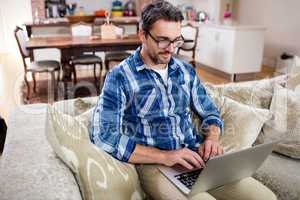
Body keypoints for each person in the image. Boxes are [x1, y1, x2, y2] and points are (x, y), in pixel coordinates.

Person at [90, 1, 277, 199]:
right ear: (143, 35)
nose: (171, 49)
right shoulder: (119, 77)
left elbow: (211, 112)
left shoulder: (185, 71)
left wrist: (212, 139)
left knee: (265, 197)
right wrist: (165, 156)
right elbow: (104, 136)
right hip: (155, 166)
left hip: (195, 157)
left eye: (176, 40)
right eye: (163, 40)